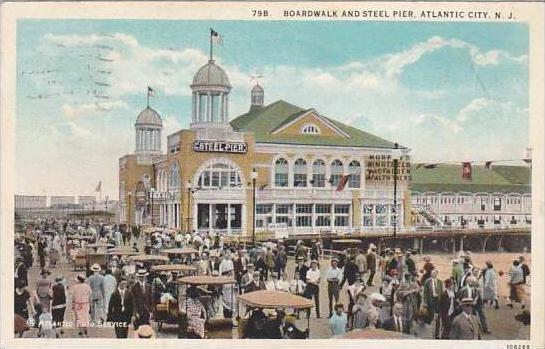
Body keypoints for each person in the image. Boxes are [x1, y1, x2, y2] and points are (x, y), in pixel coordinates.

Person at [423, 269, 443, 338]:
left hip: (438, 300)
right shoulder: (427, 281)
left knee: (438, 317)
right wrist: (425, 302)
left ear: (437, 274)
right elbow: (425, 293)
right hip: (430, 300)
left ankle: (437, 333)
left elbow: (442, 291)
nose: (433, 274)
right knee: (430, 315)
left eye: (435, 273)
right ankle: (429, 332)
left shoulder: (440, 281)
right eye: (432, 273)